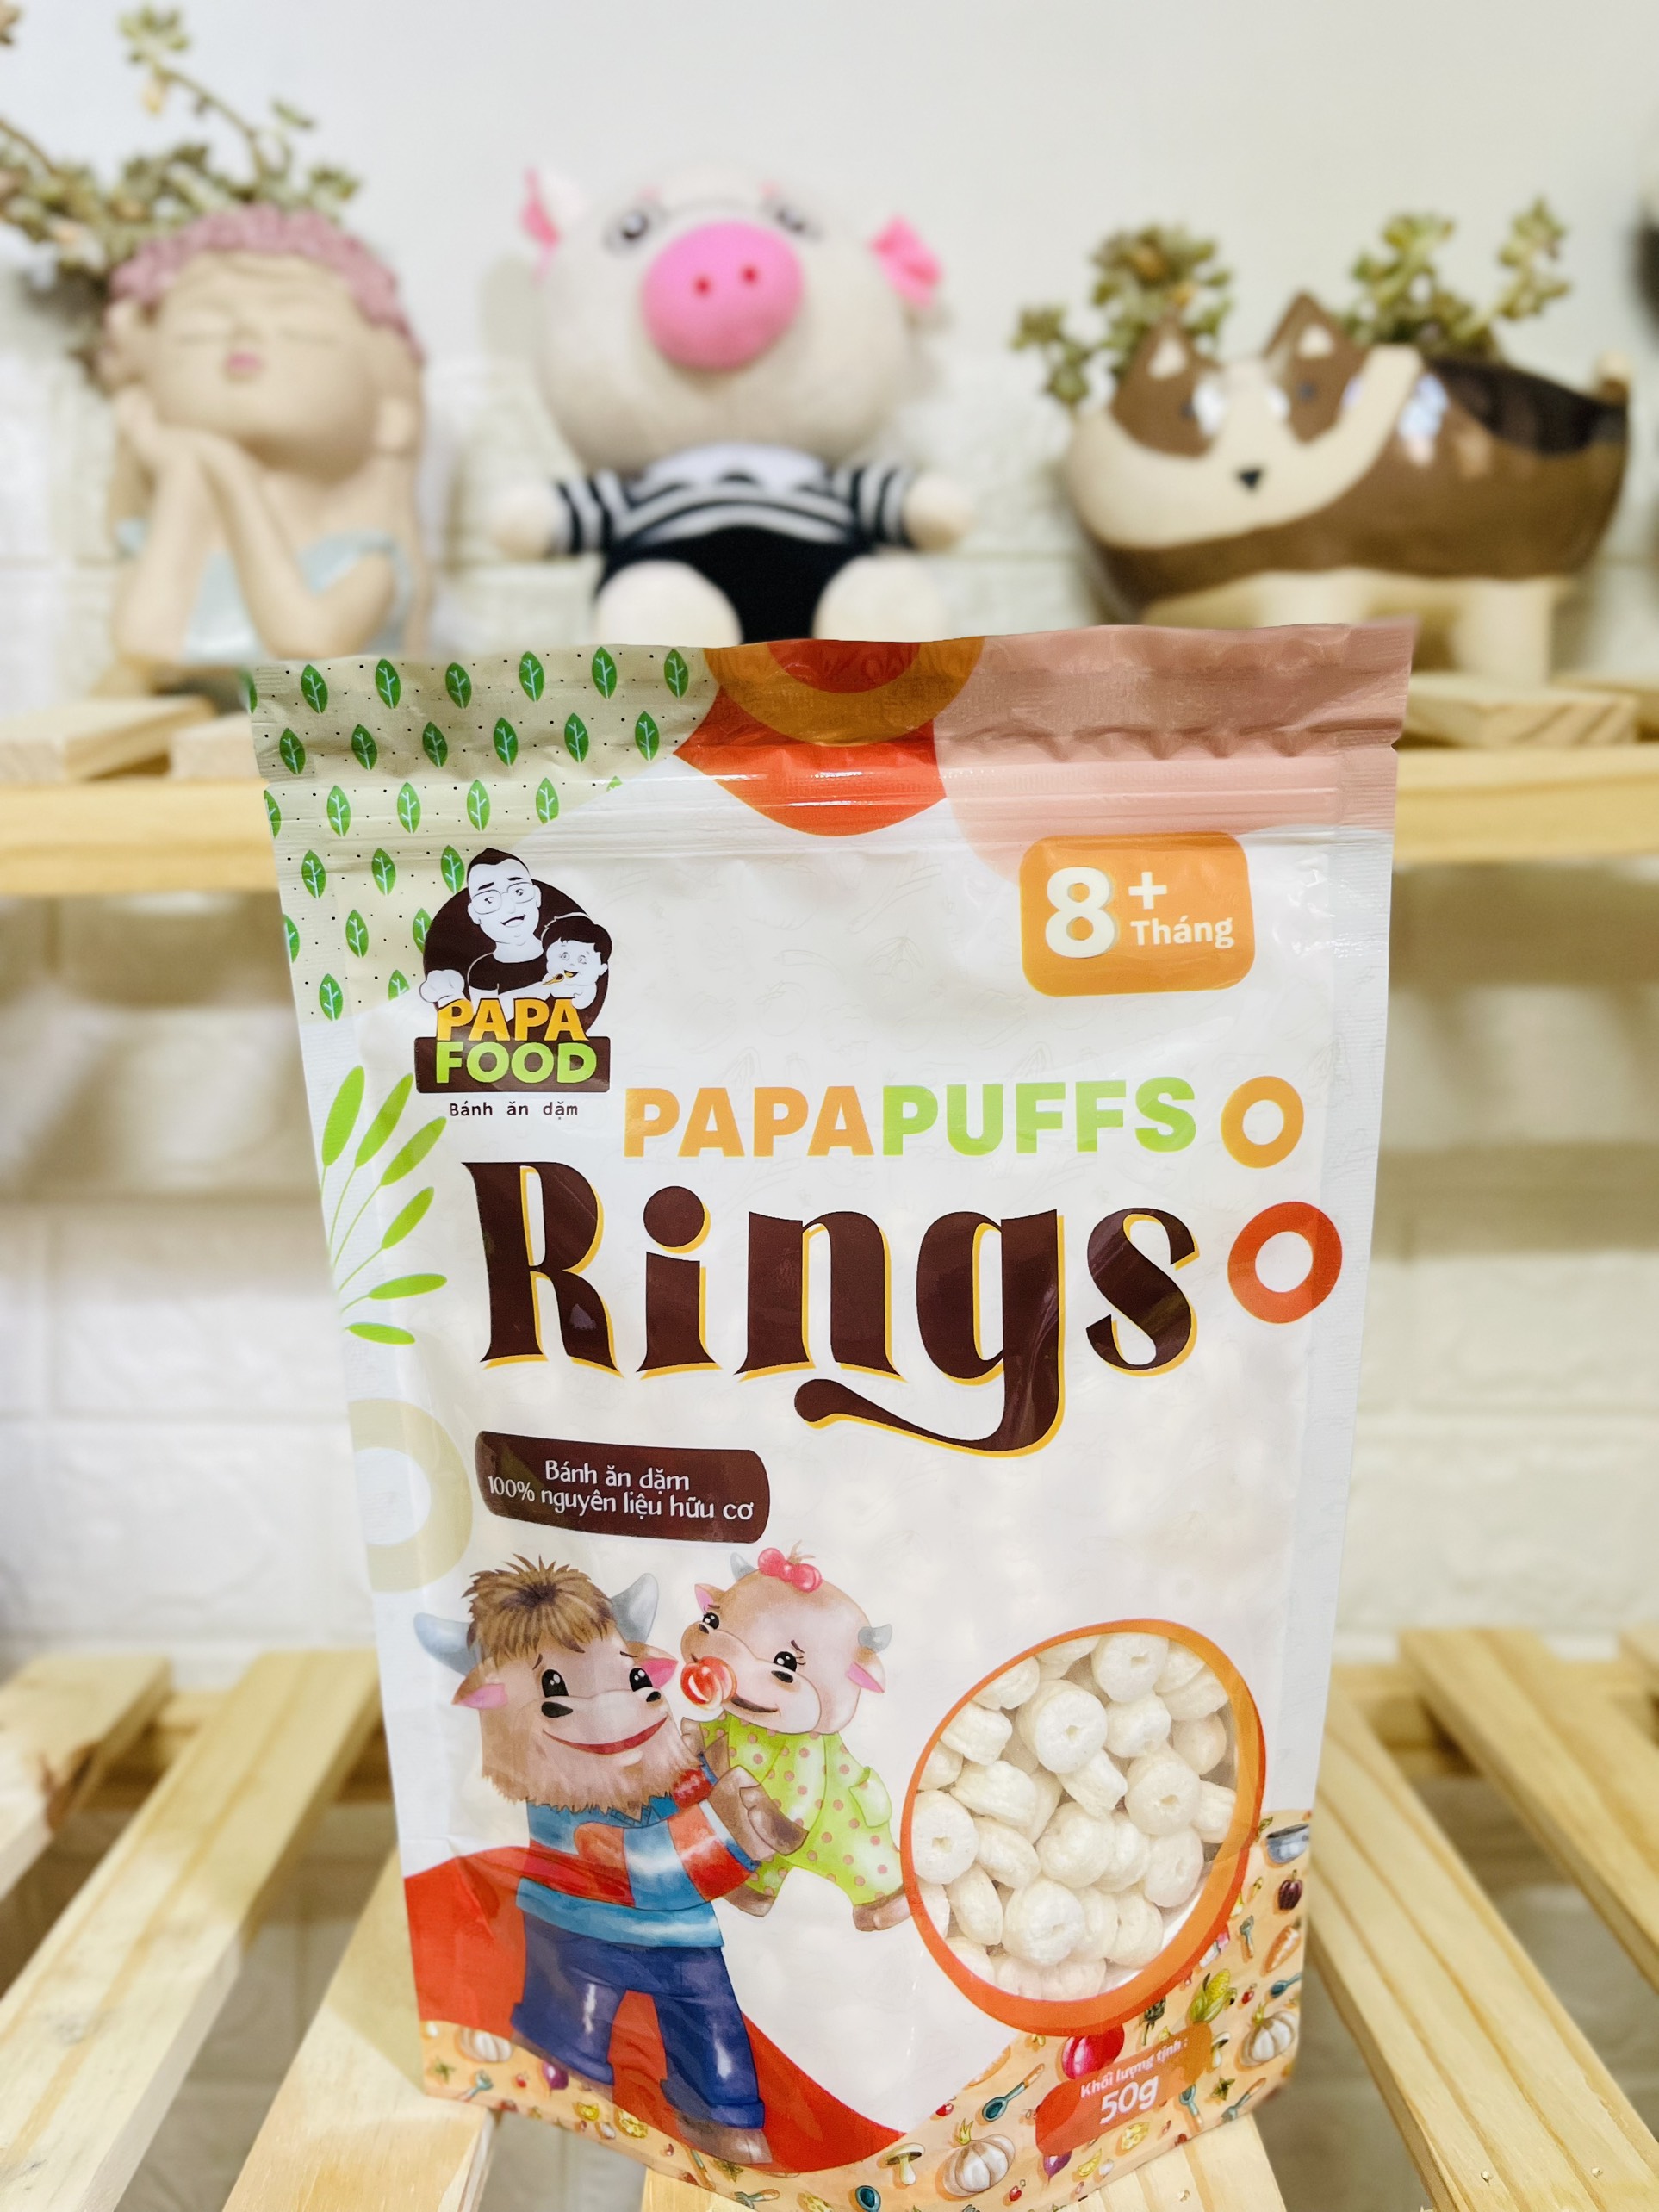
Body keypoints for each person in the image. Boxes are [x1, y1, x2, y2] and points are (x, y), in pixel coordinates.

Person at [98, 205, 428, 684]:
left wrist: (232, 475)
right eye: (200, 331)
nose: (244, 333)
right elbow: (141, 646)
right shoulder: (153, 548)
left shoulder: (365, 561)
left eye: (299, 329)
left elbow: (307, 643)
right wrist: (183, 479)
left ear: (391, 414)